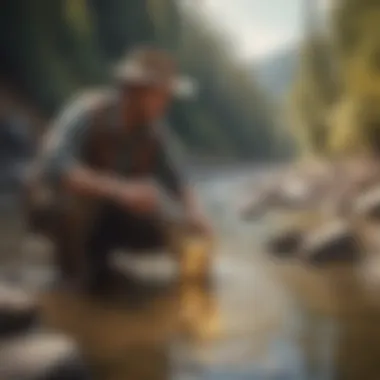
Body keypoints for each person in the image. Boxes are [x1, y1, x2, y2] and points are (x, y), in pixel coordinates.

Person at [26, 47, 213, 294]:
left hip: (105, 214)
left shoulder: (154, 131)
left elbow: (180, 179)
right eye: (162, 94)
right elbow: (54, 164)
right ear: (137, 91)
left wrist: (195, 214)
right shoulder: (88, 110)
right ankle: (71, 277)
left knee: (172, 216)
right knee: (76, 200)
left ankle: (101, 261)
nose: (167, 103)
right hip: (60, 207)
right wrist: (121, 191)